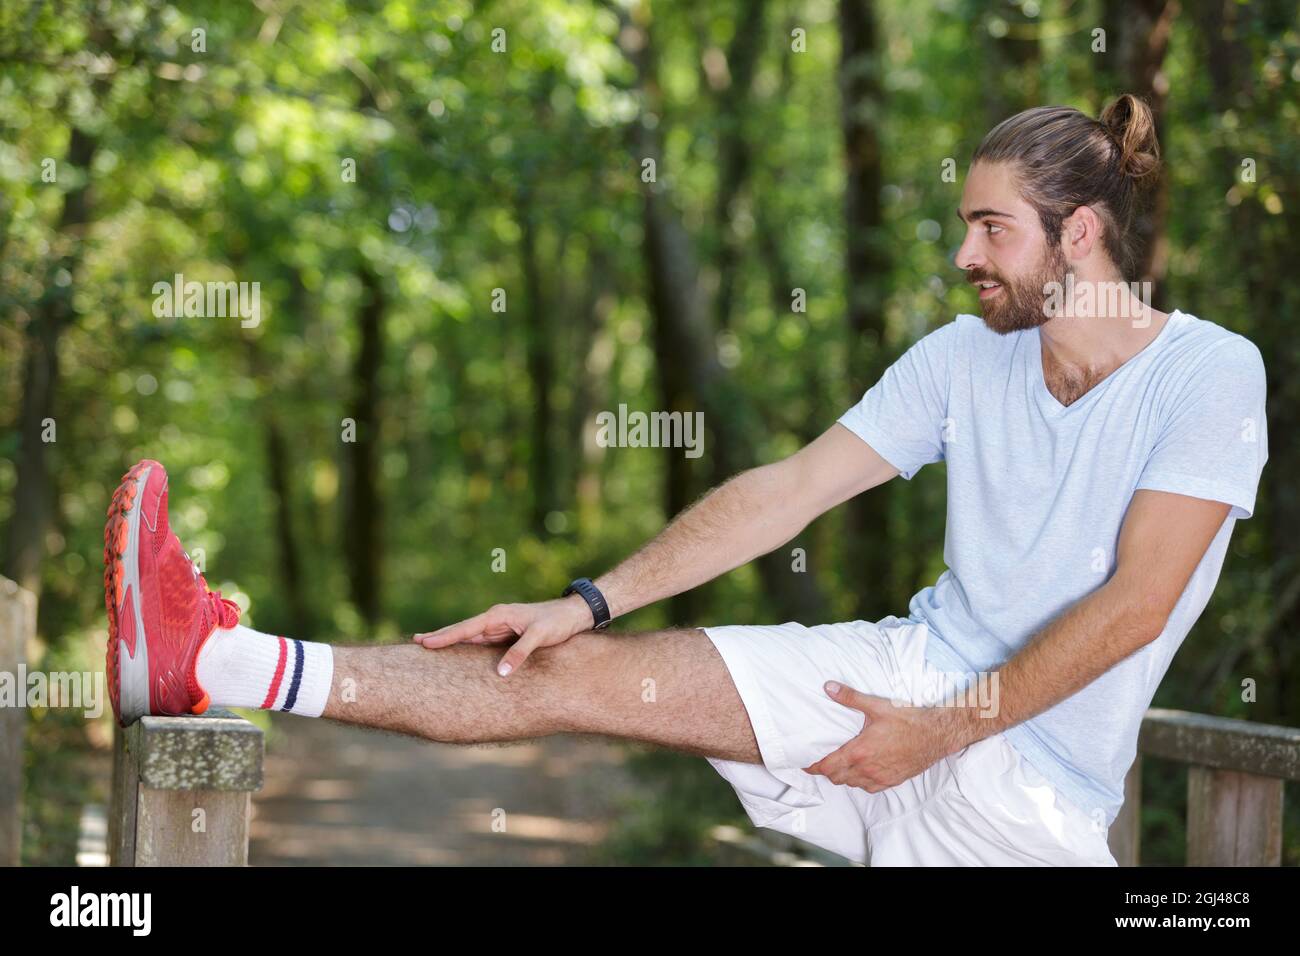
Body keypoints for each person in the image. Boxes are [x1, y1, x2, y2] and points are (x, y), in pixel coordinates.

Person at [102, 94, 1267, 866]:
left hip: (1035, 783)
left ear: (1077, 236)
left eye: (990, 228)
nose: (961, 255)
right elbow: (787, 488)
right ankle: (206, 654)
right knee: (561, 669)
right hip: (893, 674)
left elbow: (1136, 606)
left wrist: (940, 731)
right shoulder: (966, 356)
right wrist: (589, 598)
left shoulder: (1209, 374)